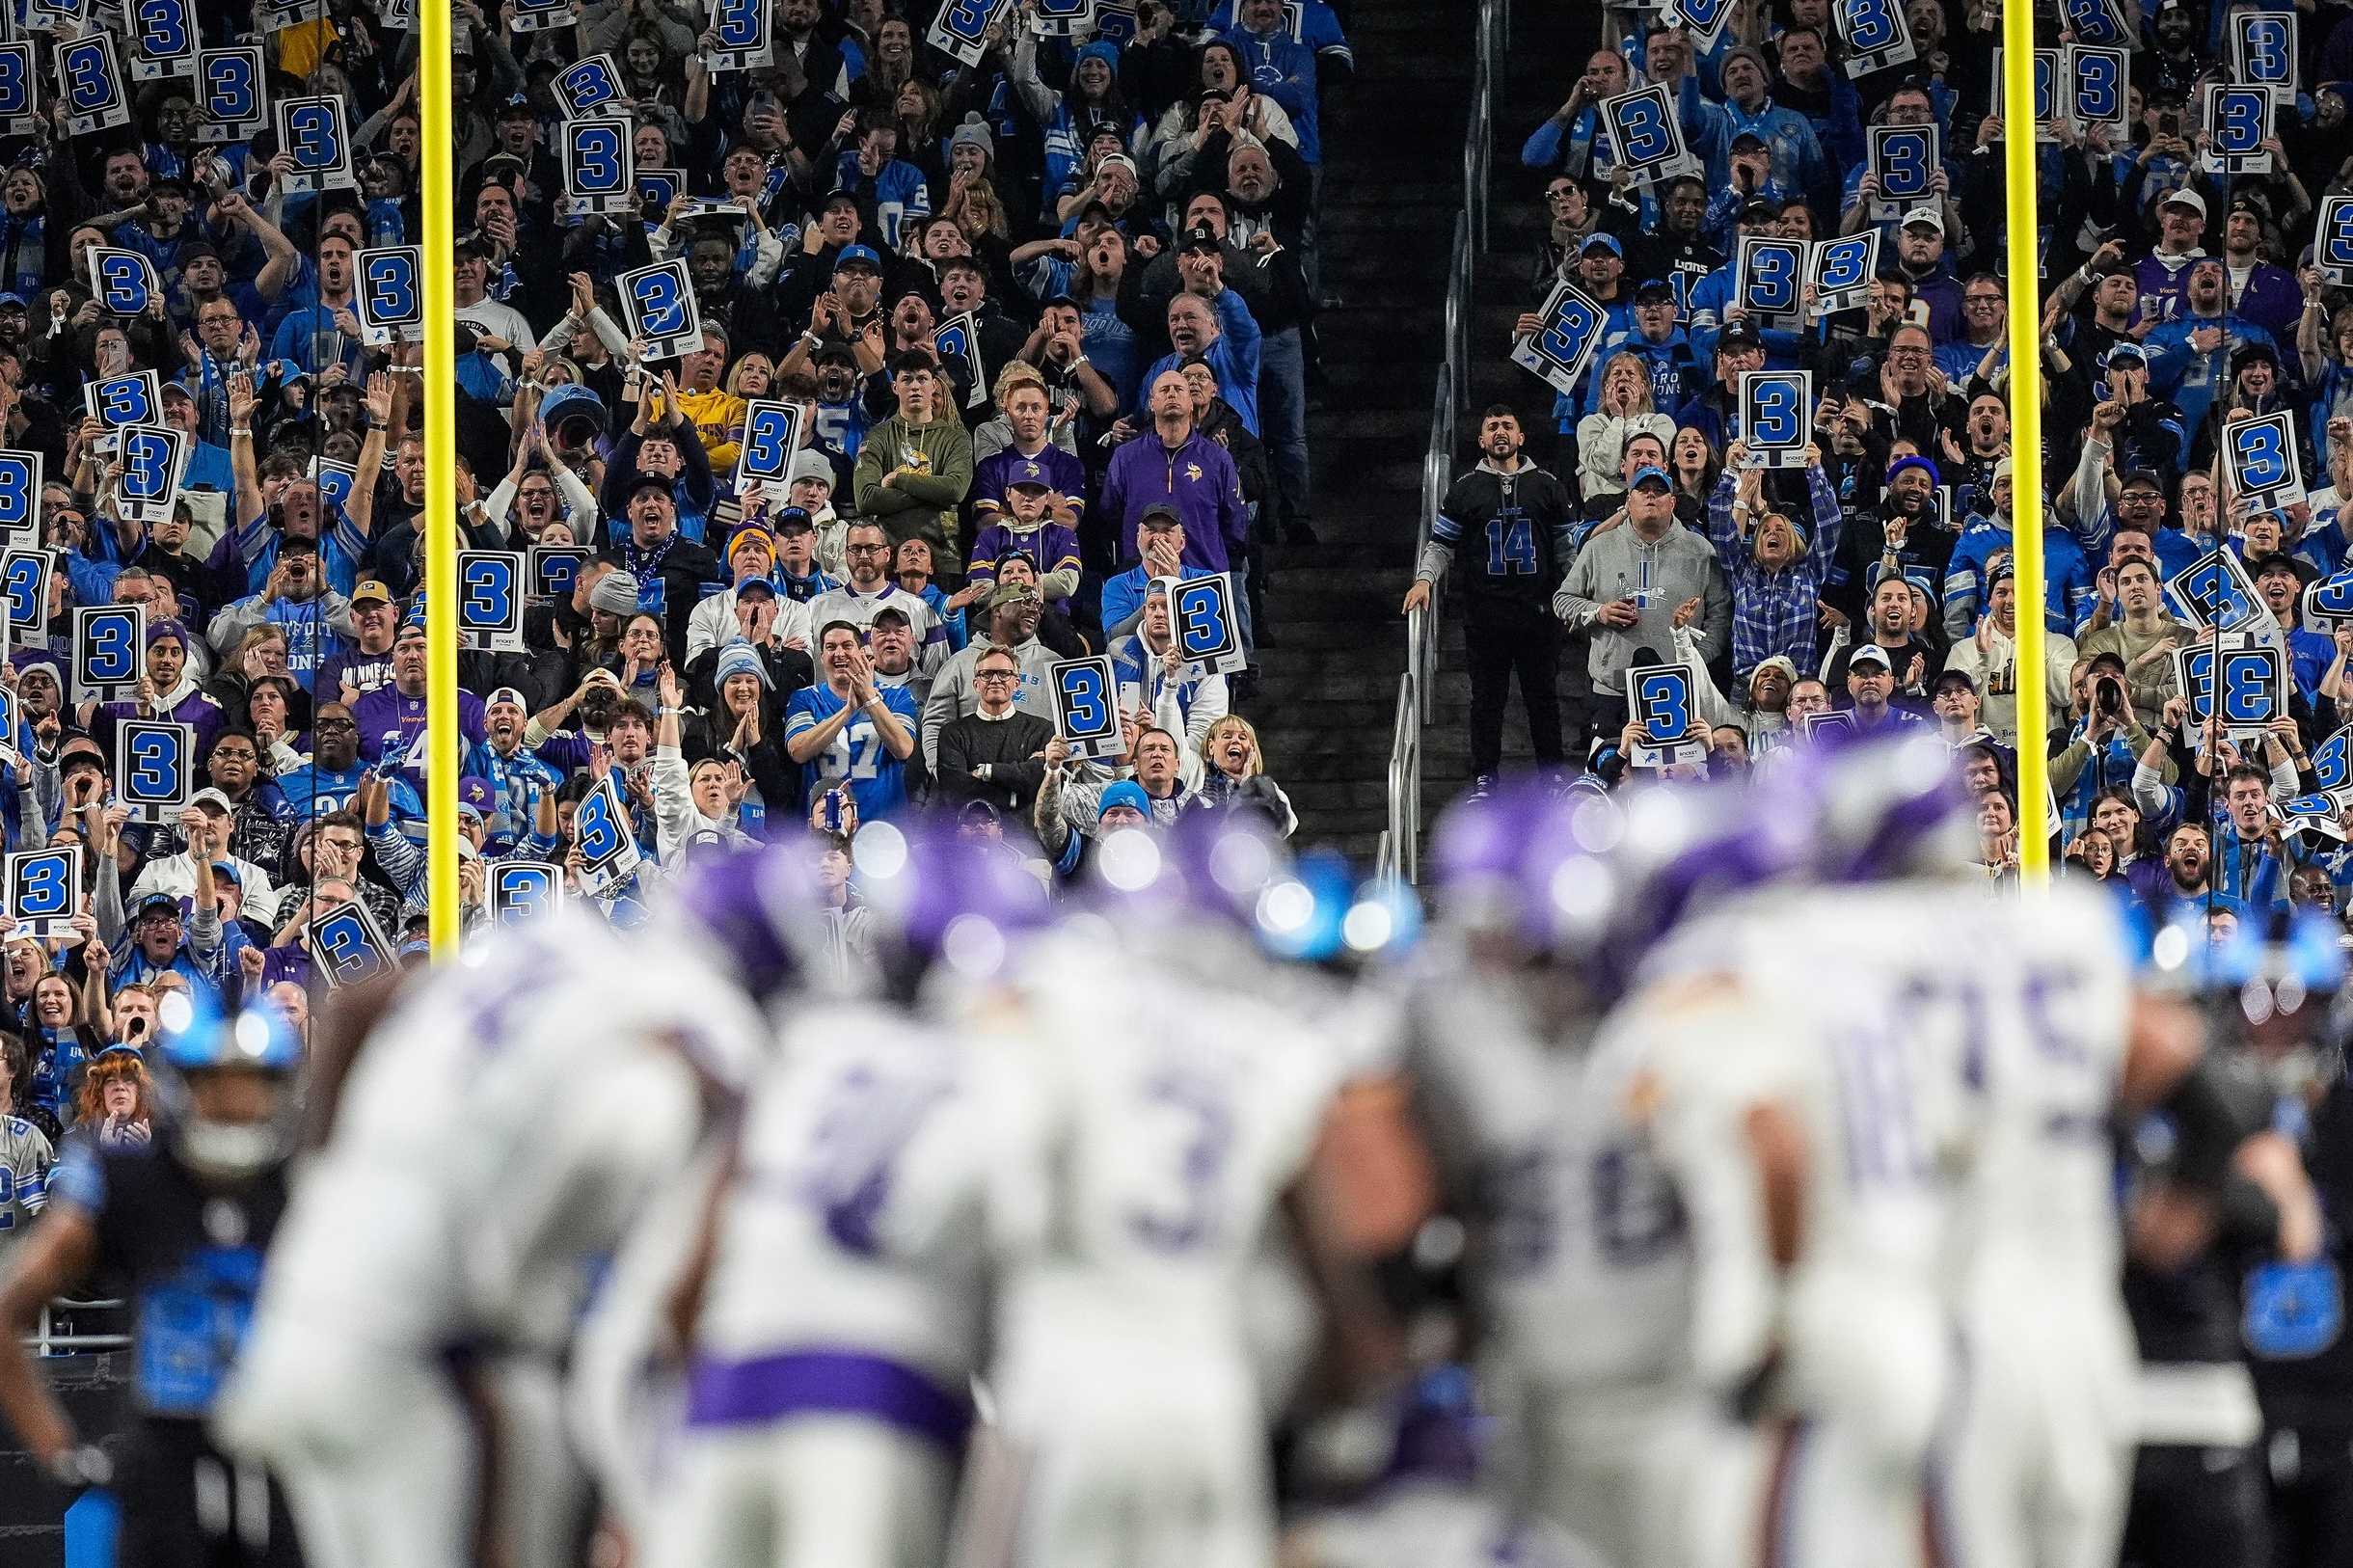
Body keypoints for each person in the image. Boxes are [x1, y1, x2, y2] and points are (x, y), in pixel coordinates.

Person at [0, 998, 303, 1567]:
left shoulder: (312, 1182)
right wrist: (60, 1453)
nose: (235, 1104)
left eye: (253, 1084)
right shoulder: (127, 1179)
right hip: (166, 1462)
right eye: (215, 1083)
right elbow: (9, 1310)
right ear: (182, 1086)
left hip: (286, 1457)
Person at [1404, 405, 1578, 795]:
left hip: (1538, 613)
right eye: (1492, 427)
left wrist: (1574, 600)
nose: (1500, 432)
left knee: (1543, 698)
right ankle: (1485, 775)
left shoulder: (1547, 485)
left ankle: (1550, 773)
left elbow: (1568, 552)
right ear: (1481, 440)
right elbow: (1441, 544)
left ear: (1521, 437)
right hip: (1486, 616)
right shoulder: (1465, 489)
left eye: (1508, 426)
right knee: (1486, 700)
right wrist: (1424, 580)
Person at [785, 621, 920, 822]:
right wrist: (848, 711)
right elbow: (798, 751)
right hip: (824, 827)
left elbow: (904, 748)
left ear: (862, 653)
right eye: (831, 647)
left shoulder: (896, 696)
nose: (839, 653)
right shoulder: (804, 698)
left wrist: (870, 698)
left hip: (882, 827)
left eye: (847, 646)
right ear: (822, 658)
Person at [934, 644, 1057, 818]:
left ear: (1016, 684)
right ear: (976, 684)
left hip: (1025, 838)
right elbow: (956, 792)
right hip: (971, 834)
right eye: (987, 674)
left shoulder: (1042, 730)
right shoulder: (953, 734)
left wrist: (986, 771)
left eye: (1004, 674)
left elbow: (1040, 781)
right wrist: (1013, 797)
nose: (995, 680)